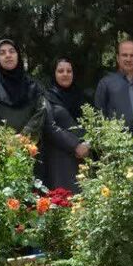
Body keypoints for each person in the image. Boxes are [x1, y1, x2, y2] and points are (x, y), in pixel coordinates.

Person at [0, 39, 45, 138]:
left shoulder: (34, 86)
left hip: (30, 143)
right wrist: (7, 139)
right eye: (2, 53)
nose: (8, 55)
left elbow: (40, 111)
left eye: (12, 51)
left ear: (18, 55)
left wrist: (25, 134)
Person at [40, 58, 89, 192]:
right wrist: (75, 145)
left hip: (84, 157)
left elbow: (92, 125)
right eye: (60, 71)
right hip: (60, 159)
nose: (65, 74)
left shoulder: (82, 97)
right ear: (54, 74)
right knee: (64, 198)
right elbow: (49, 127)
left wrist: (87, 145)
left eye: (69, 71)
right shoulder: (47, 97)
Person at [94, 40, 133, 135]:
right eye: (124, 55)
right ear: (118, 58)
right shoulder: (105, 83)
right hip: (114, 139)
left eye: (132, 56)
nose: (128, 59)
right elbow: (99, 115)